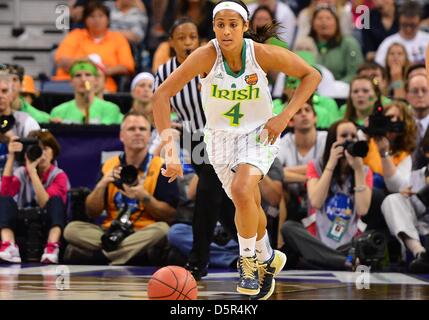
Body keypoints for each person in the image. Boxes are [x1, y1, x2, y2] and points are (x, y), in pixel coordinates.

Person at [152, 0, 321, 299]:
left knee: (243, 190)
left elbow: (312, 75)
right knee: (248, 203)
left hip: (259, 132)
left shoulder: (261, 54)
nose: (226, 31)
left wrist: (283, 116)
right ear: (213, 27)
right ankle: (268, 256)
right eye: (220, 25)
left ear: (245, 27)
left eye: (233, 25)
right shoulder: (205, 56)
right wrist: (169, 151)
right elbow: (161, 95)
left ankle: (248, 263)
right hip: (218, 139)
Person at [154, 17, 236, 281]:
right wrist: (169, 145)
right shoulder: (164, 71)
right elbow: (160, 108)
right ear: (171, 42)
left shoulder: (215, 64)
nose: (188, 42)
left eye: (192, 37)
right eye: (181, 37)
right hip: (193, 138)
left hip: (223, 136)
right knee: (217, 197)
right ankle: (259, 251)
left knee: (215, 195)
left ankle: (199, 261)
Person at [63, 111, 179, 265]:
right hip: (110, 230)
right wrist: (102, 185)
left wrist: (144, 196)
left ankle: (102, 256)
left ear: (149, 135)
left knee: (163, 230)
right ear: (121, 136)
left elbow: (170, 215)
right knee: (72, 229)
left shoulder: (162, 167)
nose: (137, 133)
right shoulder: (109, 166)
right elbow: (92, 211)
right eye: (131, 129)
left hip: (143, 231)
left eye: (142, 129)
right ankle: (124, 254)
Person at [282, 120, 373, 270]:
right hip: (317, 237)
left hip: (348, 241)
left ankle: (326, 259)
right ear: (332, 140)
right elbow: (316, 202)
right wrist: (330, 165)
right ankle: (344, 262)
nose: (349, 139)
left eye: (353, 136)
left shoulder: (364, 171)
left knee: (370, 238)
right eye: (344, 135)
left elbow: (363, 210)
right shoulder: (316, 165)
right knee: (288, 228)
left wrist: (357, 171)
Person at [0, 130, 70, 264]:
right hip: (22, 222)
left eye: (45, 149)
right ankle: (8, 244)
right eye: (37, 149)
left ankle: (52, 247)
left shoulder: (59, 175)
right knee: (3, 199)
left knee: (55, 201)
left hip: (47, 223)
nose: (41, 154)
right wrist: (11, 156)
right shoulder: (22, 172)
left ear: (53, 152)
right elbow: (5, 192)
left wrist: (33, 172)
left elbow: (45, 203)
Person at [54, 1, 135, 92]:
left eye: (100, 16)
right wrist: (87, 62)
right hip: (69, 83)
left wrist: (106, 70)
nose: (97, 20)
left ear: (108, 19)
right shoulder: (75, 35)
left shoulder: (117, 38)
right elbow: (62, 61)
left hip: (103, 85)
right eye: (92, 16)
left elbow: (127, 66)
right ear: (85, 20)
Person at [381, 128, 429, 273]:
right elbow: (414, 211)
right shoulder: (414, 177)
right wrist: (407, 198)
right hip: (420, 231)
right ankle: (421, 255)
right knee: (393, 200)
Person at [277, 99, 327, 222]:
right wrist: (311, 178)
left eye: (307, 110)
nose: (303, 114)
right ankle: (279, 241)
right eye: (298, 112)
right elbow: (275, 172)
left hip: (322, 195)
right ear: (290, 122)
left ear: (315, 118)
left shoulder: (325, 138)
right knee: (277, 189)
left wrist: (287, 171)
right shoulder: (284, 141)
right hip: (293, 198)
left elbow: (328, 169)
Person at [50, 59, 123, 125]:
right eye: (78, 75)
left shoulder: (110, 109)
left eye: (88, 75)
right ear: (71, 82)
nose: (83, 79)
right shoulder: (58, 111)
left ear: (96, 80)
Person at [307, 5, 364, 83]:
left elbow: (355, 73)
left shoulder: (349, 44)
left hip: (341, 91)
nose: (324, 22)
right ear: (312, 24)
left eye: (328, 18)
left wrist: (335, 87)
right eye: (319, 18)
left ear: (337, 23)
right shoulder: (305, 44)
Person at [0, 71, 40, 174]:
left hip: (18, 182)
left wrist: (17, 141)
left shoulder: (27, 122)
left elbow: (38, 160)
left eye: (4, 91)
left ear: (12, 94)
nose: (0, 96)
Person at [375, 1, 429, 67]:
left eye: (412, 25)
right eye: (404, 25)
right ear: (399, 21)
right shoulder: (388, 43)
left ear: (420, 22)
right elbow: (379, 69)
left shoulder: (427, 40)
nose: (408, 29)